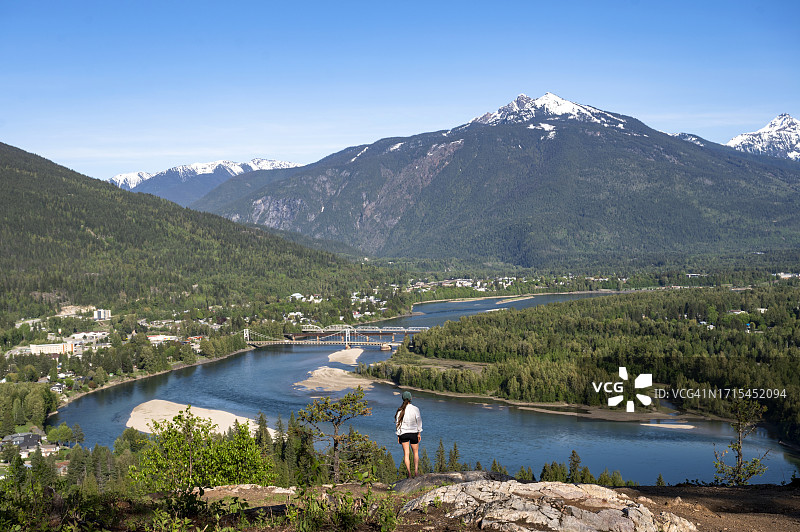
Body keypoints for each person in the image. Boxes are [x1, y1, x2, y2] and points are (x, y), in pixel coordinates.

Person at [395, 390, 422, 478]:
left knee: (406, 454)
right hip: (413, 433)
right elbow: (419, 422)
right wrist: (419, 433)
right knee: (415, 453)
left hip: (403, 434)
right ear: (411, 398)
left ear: (403, 399)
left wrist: (398, 435)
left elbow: (397, 424)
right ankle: (416, 472)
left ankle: (409, 474)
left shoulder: (400, 411)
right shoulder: (415, 409)